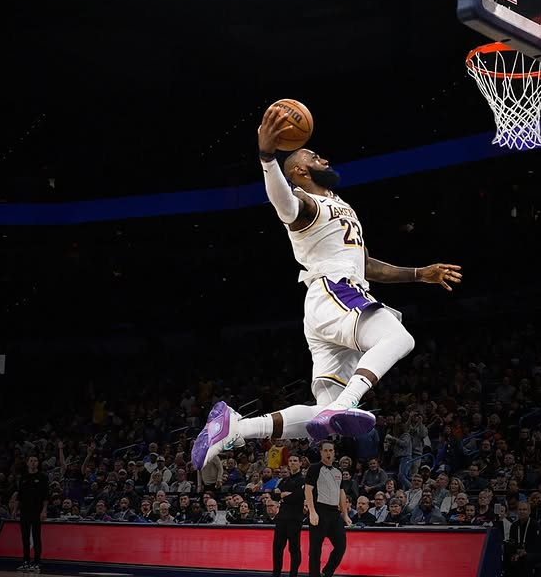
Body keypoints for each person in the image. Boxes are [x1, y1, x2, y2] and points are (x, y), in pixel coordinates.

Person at [191, 106, 462, 469]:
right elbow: (284, 205)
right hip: (335, 291)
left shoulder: (339, 206)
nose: (324, 159)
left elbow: (365, 263)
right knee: (399, 338)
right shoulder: (307, 204)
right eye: (314, 156)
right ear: (300, 171)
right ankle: (346, 403)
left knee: (323, 413)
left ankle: (237, 428)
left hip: (329, 302)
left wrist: (417, 273)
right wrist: (268, 158)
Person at [304, 441, 352, 577]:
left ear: (334, 452)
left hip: (334, 513)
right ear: (321, 452)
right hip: (319, 510)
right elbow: (308, 490)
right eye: (325, 450)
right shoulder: (314, 468)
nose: (328, 453)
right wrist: (312, 512)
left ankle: (328, 572)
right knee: (315, 549)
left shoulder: (338, 471)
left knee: (341, 545)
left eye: (331, 450)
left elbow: (341, 493)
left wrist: (345, 514)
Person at [272, 454, 305, 577]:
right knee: (277, 548)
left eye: (295, 460)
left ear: (300, 463)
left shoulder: (302, 480)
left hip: (295, 518)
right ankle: (276, 573)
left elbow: (298, 497)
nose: (292, 462)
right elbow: (274, 495)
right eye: (290, 460)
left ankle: (293, 574)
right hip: (281, 518)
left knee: (294, 548)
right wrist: (283, 495)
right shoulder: (284, 480)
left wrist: (283, 495)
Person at [13, 454, 48, 573]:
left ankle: (37, 562)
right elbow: (19, 496)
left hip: (37, 511)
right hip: (24, 511)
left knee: (37, 537)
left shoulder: (42, 477)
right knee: (25, 538)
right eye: (31, 460)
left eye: (35, 460)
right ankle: (26, 561)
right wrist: (15, 510)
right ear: (27, 463)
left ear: (38, 463)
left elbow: (45, 496)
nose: (33, 462)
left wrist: (44, 510)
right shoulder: (23, 477)